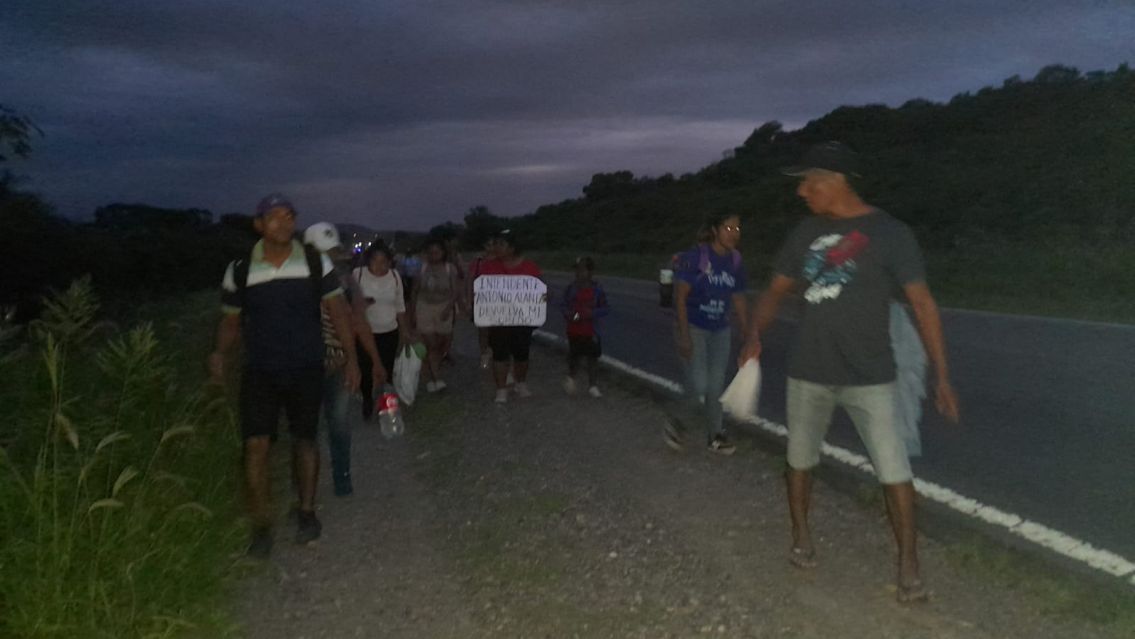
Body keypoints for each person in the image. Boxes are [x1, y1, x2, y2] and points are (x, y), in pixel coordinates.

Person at [740, 141, 960, 603]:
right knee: (799, 460)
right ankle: (801, 536)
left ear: (835, 181)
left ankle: (909, 563)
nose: (801, 191)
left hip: (871, 376)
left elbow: (923, 304)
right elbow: (775, 291)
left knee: (894, 470)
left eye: (808, 182)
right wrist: (754, 336)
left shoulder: (891, 233)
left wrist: (941, 376)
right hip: (809, 371)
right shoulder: (804, 233)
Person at [208, 194, 360, 558]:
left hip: (306, 367)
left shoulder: (315, 262)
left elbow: (338, 312)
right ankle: (261, 525)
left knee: (305, 440)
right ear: (258, 224)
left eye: (289, 216)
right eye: (274, 217)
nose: (283, 222)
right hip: (260, 369)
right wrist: (219, 353)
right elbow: (231, 321)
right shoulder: (240, 269)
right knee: (255, 446)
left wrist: (352, 359)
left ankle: (306, 512)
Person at [302, 222, 385, 497]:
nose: (328, 257)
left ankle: (342, 476)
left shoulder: (347, 282)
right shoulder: (292, 282)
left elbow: (359, 322)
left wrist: (373, 361)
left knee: (338, 423)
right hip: (301, 366)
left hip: (337, 363)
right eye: (321, 252)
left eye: (332, 251)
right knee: (306, 430)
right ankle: (306, 485)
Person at [664, 212, 748, 455]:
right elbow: (680, 297)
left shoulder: (735, 261)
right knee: (699, 383)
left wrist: (747, 332)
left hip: (720, 329)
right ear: (714, 230)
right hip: (693, 326)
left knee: (716, 386)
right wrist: (684, 336)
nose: (734, 234)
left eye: (737, 229)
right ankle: (677, 422)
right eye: (728, 228)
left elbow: (738, 297)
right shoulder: (696, 258)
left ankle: (715, 435)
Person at [479, 229, 544, 403]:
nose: (497, 247)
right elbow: (483, 291)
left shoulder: (530, 267)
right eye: (496, 243)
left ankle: (520, 383)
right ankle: (501, 389)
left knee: (522, 354)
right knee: (500, 354)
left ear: (512, 248)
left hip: (522, 319)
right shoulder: (489, 267)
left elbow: (539, 292)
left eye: (501, 244)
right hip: (499, 319)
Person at [353, 241, 410, 420]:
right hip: (365, 331)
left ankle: (384, 405)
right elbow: (350, 302)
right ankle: (367, 398)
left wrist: (404, 331)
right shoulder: (358, 274)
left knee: (386, 368)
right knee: (366, 368)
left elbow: (400, 305)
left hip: (389, 330)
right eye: (375, 261)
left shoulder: (394, 276)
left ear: (390, 262)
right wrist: (362, 303)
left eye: (383, 261)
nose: (379, 265)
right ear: (368, 261)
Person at [412, 237, 459, 392]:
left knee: (442, 343)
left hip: (444, 307)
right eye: (431, 252)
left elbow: (455, 291)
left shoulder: (449, 269)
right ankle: (435, 377)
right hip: (424, 307)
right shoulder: (422, 268)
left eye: (437, 252)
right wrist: (411, 313)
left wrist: (448, 309)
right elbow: (415, 290)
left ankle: (431, 369)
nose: (434, 255)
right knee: (431, 344)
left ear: (443, 253)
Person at [559, 256, 609, 398]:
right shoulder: (571, 289)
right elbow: (563, 305)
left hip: (592, 330)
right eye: (577, 270)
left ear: (590, 272)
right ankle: (571, 378)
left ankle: (593, 385)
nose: (579, 273)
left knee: (592, 357)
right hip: (574, 329)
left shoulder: (597, 289)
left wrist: (592, 313)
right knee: (575, 356)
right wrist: (569, 314)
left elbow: (605, 308)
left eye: (582, 270)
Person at [467, 235, 500, 369]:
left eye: (493, 245)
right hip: (481, 301)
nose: (490, 248)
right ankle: (484, 354)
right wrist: (469, 300)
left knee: (497, 330)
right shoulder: (478, 262)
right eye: (488, 245)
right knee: (483, 330)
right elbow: (470, 281)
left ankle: (495, 353)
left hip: (498, 302)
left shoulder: (502, 261)